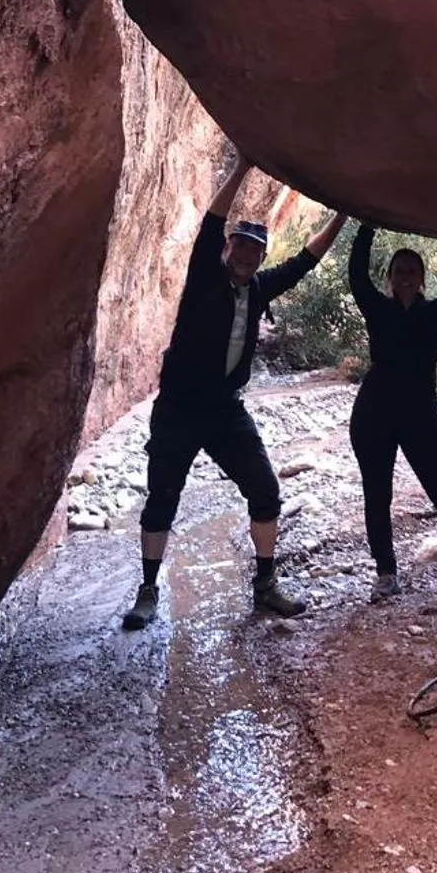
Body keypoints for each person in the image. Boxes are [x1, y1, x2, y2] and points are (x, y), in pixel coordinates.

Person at [121, 155, 348, 631]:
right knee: (163, 496)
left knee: (265, 491)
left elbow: (306, 261)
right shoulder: (204, 277)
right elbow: (210, 224)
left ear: (260, 258)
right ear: (228, 251)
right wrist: (243, 166)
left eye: (253, 253)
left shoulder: (261, 288)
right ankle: (147, 591)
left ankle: (265, 586)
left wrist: (343, 216)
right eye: (238, 249)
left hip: (226, 412)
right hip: (179, 410)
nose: (244, 258)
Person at [346, 224, 437, 608]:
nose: (406, 278)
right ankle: (386, 576)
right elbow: (357, 276)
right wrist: (365, 227)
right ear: (390, 278)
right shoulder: (377, 308)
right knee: (377, 496)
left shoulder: (434, 314)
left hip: (421, 417)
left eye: (412, 272)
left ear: (422, 278)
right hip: (373, 415)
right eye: (400, 272)